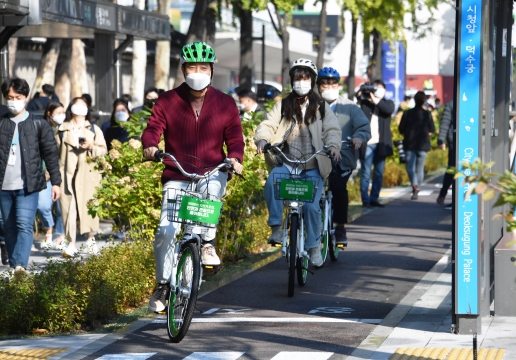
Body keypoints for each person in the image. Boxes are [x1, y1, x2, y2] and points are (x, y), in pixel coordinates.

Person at [142, 41, 244, 313]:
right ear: (183, 69)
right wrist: (151, 146)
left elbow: (235, 137)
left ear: (211, 69)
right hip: (178, 173)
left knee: (212, 192)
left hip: (212, 170)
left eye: (203, 67)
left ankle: (207, 242)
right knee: (166, 231)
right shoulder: (167, 100)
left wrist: (235, 158)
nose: (197, 72)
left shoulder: (225, 103)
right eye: (191, 67)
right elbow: (153, 128)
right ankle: (163, 285)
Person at [254, 58, 342, 267]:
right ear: (292, 81)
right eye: (297, 78)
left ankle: (313, 247)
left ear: (311, 80)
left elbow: (332, 130)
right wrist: (262, 139)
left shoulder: (321, 106)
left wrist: (333, 146)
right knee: (272, 184)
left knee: (312, 207)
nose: (301, 82)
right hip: (286, 161)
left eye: (305, 78)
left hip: (313, 165)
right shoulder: (283, 104)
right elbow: (268, 124)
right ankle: (276, 227)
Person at [0, 78, 61, 273]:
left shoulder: (38, 124)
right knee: (8, 228)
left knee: (24, 225)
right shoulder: (1, 123)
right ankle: (13, 265)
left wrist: (56, 182)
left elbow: (51, 154)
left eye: (18, 97)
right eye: (9, 97)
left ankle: (20, 266)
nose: (13, 101)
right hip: (3, 186)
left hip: (29, 186)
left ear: (26, 98)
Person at [316, 67, 371, 245]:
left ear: (338, 85)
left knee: (338, 188)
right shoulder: (311, 106)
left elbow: (364, 127)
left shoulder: (350, 107)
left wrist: (358, 138)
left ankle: (340, 226)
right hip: (315, 157)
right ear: (318, 86)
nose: (329, 87)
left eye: (333, 84)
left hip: (343, 157)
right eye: (325, 84)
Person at [56, 97, 108, 257]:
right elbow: (53, 153)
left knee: (89, 206)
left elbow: (103, 150)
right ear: (71, 108)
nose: (80, 107)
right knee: (67, 208)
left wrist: (91, 146)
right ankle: (70, 243)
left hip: (88, 174)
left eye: (83, 105)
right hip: (67, 173)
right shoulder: (61, 129)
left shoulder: (94, 128)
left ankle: (90, 238)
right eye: (77, 104)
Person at [358, 80, 395, 208]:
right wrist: (364, 91)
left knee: (378, 173)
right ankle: (365, 200)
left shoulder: (388, 103)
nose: (377, 90)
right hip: (367, 143)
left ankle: (374, 198)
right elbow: (358, 95)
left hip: (381, 144)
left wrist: (376, 99)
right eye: (375, 88)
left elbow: (387, 110)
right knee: (366, 173)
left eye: (379, 88)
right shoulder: (365, 104)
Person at [38, 101, 67, 250]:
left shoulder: (66, 129)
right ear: (49, 113)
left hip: (64, 173)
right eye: (59, 112)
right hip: (46, 175)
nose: (62, 115)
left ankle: (61, 236)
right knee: (42, 205)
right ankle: (49, 231)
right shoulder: (41, 128)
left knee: (62, 207)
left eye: (63, 112)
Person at [399, 91, 436, 200]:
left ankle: (414, 185)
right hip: (423, 144)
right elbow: (432, 129)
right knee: (420, 169)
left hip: (410, 144)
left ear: (414, 100)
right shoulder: (427, 114)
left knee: (410, 167)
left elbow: (401, 129)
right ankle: (417, 187)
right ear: (424, 101)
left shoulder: (407, 113)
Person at [436, 100, 454, 207]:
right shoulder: (451, 104)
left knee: (452, 169)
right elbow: (445, 122)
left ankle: (443, 194)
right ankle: (444, 193)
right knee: (452, 169)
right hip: (454, 142)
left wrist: (441, 140)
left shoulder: (451, 104)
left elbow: (445, 122)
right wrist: (441, 140)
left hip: (457, 141)